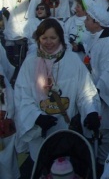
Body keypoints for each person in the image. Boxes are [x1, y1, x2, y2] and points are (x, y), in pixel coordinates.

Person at [14, 18, 101, 162]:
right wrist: (36, 117)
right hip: (41, 131)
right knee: (44, 167)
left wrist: (91, 111)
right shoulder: (30, 63)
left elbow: (85, 91)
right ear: (38, 39)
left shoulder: (72, 60)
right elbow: (22, 95)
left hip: (66, 130)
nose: (48, 42)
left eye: (53, 38)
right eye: (44, 38)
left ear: (61, 37)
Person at [82, 0, 109, 172]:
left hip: (105, 99)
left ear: (96, 23)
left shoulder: (106, 44)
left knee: (105, 137)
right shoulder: (97, 39)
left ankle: (103, 171)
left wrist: (97, 92)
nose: (85, 21)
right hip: (96, 93)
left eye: (87, 19)